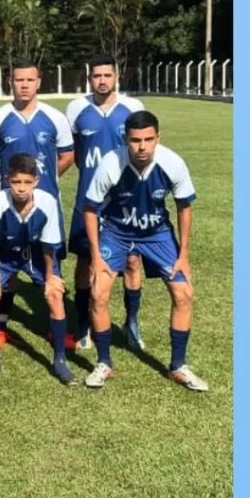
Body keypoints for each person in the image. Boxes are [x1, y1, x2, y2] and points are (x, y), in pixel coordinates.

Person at [83, 110, 206, 392]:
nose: (142, 147)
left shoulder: (172, 163)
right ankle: (103, 363)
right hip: (116, 232)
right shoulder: (111, 163)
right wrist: (97, 257)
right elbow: (90, 210)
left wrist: (184, 256)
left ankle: (178, 365)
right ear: (126, 139)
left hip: (156, 234)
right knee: (98, 292)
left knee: (183, 293)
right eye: (135, 140)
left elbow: (184, 207)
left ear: (158, 138)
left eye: (148, 139)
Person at [0, 60, 73, 350]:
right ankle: (0, 326)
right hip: (10, 211)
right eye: (18, 80)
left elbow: (67, 156)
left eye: (29, 80)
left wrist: (42, 185)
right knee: (5, 270)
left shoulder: (55, 117)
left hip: (45, 210)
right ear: (11, 82)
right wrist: (7, 184)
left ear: (38, 82)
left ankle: (54, 330)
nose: (24, 85)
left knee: (50, 266)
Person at [66, 56, 145, 350]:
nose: (102, 80)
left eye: (106, 75)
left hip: (126, 199)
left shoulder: (133, 107)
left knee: (132, 260)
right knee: (85, 260)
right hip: (89, 198)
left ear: (117, 76)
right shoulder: (76, 109)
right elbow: (76, 153)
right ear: (89, 78)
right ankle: (83, 323)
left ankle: (131, 321)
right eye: (96, 75)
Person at [0, 153, 75, 385]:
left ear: (36, 181)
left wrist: (50, 277)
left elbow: (49, 245)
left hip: (37, 255)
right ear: (7, 180)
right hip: (5, 255)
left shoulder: (47, 202)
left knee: (55, 294)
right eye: (16, 182)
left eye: (27, 182)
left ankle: (60, 361)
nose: (21, 188)